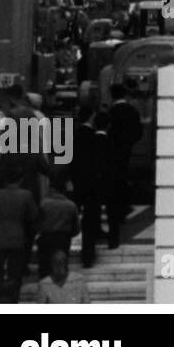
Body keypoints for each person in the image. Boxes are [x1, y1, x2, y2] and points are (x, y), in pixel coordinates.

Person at [0, 162, 38, 303]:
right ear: (21, 179)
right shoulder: (26, 195)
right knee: (15, 273)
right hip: (18, 239)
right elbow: (34, 216)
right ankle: (12, 300)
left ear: (5, 180)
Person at [71, 109, 112, 268]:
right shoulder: (95, 138)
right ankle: (88, 255)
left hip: (79, 180)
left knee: (80, 216)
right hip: (92, 184)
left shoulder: (75, 135)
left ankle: (84, 252)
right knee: (89, 218)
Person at [105, 82, 143, 250]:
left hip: (113, 151)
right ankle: (124, 207)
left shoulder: (111, 112)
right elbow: (139, 131)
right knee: (123, 176)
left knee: (114, 180)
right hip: (126, 149)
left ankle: (117, 209)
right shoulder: (132, 111)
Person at [35, 182, 80, 280]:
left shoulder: (44, 203)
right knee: (61, 266)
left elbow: (37, 222)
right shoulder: (71, 205)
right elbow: (76, 228)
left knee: (45, 266)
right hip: (63, 238)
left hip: (46, 236)